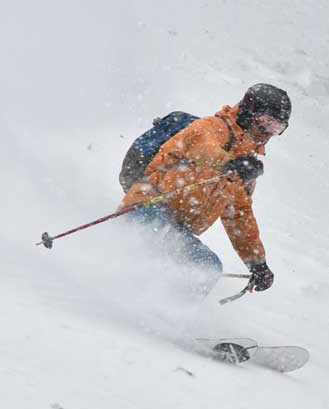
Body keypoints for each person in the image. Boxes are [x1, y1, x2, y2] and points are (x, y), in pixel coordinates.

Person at [121, 84, 290, 297]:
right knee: (205, 267)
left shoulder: (245, 167)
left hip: (176, 228)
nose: (267, 134)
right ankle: (159, 312)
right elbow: (202, 148)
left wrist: (257, 263)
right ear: (249, 112)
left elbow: (239, 217)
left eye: (276, 129)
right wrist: (230, 164)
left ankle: (165, 312)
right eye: (265, 123)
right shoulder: (210, 128)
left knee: (206, 268)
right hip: (145, 209)